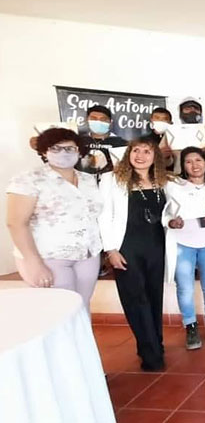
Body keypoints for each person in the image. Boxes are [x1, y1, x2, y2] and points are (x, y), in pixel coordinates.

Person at [7, 128, 102, 311]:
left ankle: (82, 341)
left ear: (79, 151)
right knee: (60, 311)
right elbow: (16, 223)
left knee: (82, 307)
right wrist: (33, 263)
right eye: (55, 148)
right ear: (44, 151)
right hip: (48, 257)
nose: (63, 153)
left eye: (69, 148)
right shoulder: (29, 179)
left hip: (88, 254)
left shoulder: (88, 179)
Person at [99, 138, 170, 371]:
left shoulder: (163, 180)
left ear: (155, 156)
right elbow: (104, 216)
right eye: (135, 151)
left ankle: (154, 344)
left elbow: (169, 213)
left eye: (147, 151)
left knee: (154, 297)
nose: (140, 155)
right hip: (127, 247)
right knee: (135, 300)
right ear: (128, 154)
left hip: (156, 246)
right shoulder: (112, 179)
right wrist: (110, 249)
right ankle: (151, 354)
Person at [163, 147, 205, 350]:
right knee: (185, 288)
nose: (194, 165)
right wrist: (171, 222)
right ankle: (190, 326)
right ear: (183, 165)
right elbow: (165, 213)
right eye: (188, 161)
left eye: (198, 160)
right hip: (182, 244)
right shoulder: (174, 186)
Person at [76, 105, 128, 180]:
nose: (98, 122)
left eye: (103, 119)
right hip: (82, 185)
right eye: (93, 119)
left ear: (110, 122)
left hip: (110, 186)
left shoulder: (122, 144)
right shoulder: (78, 141)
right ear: (87, 120)